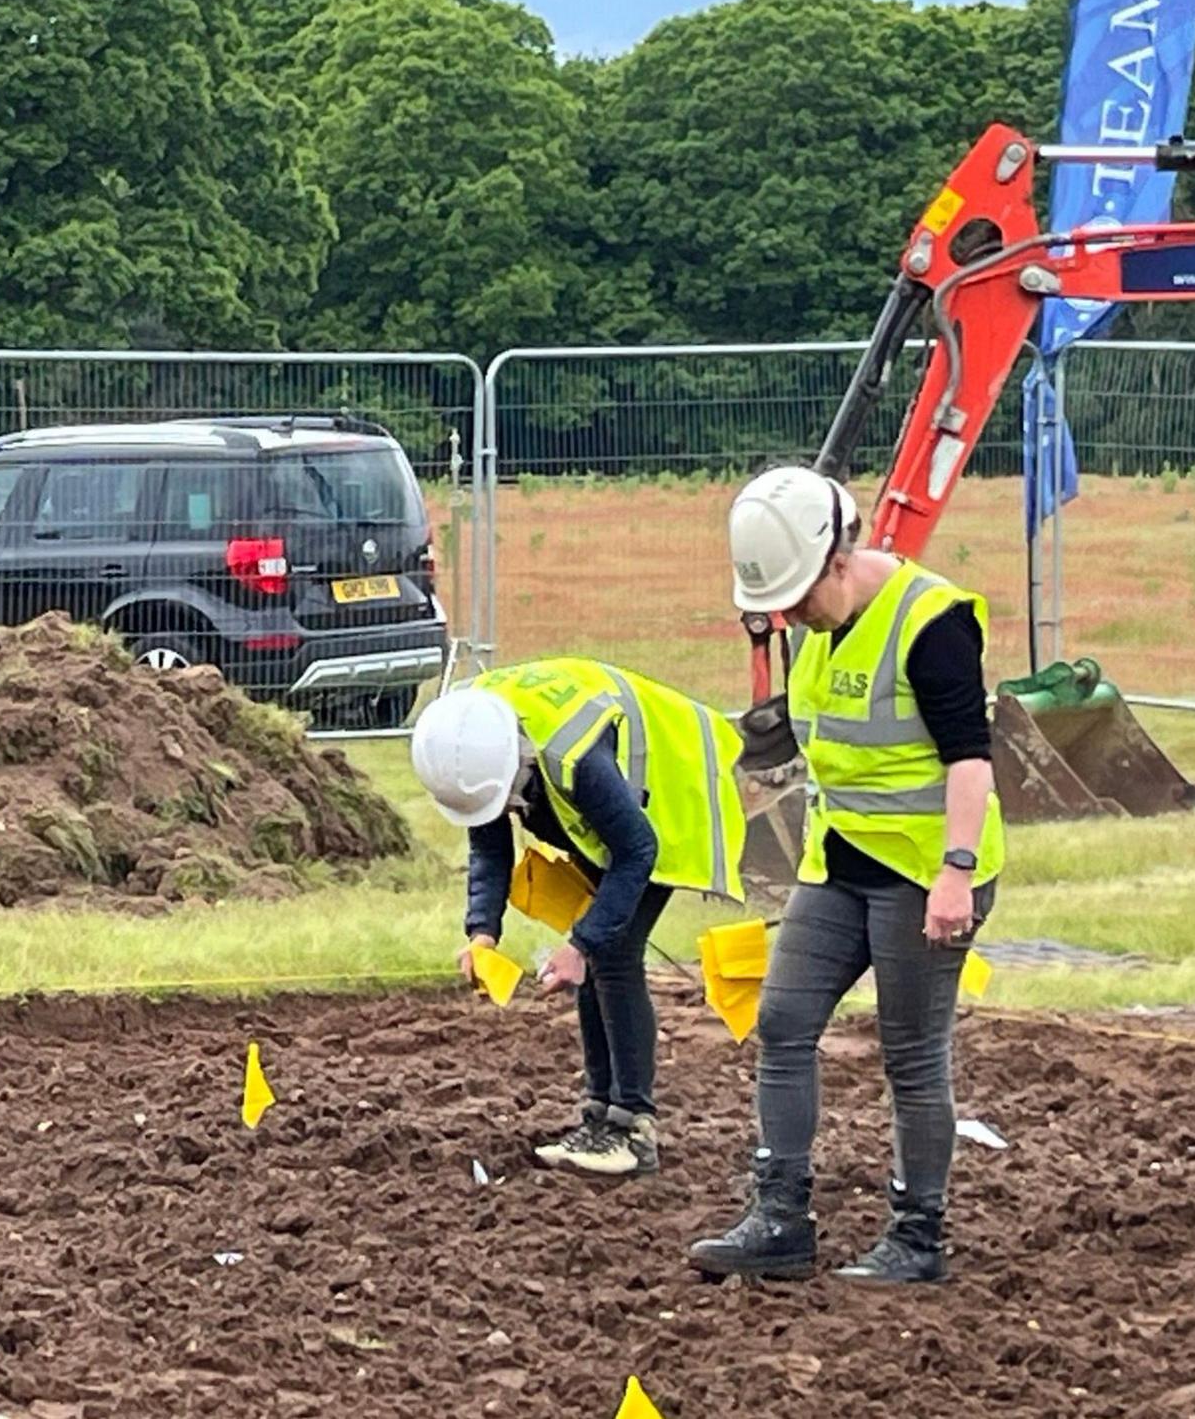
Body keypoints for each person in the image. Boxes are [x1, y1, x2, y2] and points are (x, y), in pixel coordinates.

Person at [689, 466, 1005, 1285]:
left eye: (798, 597)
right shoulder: (813, 625)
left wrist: (955, 874)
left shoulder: (929, 622)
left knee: (911, 1051)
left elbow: (971, 758)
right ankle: (781, 1217)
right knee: (784, 1018)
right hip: (840, 860)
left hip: (925, 872)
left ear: (840, 557)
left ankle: (917, 1234)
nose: (789, 616)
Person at [410, 660, 747, 1177]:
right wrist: (482, 933)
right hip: (615, 804)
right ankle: (600, 1116)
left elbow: (637, 850)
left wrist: (581, 944)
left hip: (673, 796)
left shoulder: (573, 758)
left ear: (516, 764)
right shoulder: (472, 736)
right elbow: (489, 844)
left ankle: (633, 1128)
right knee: (595, 951)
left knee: (611, 952)